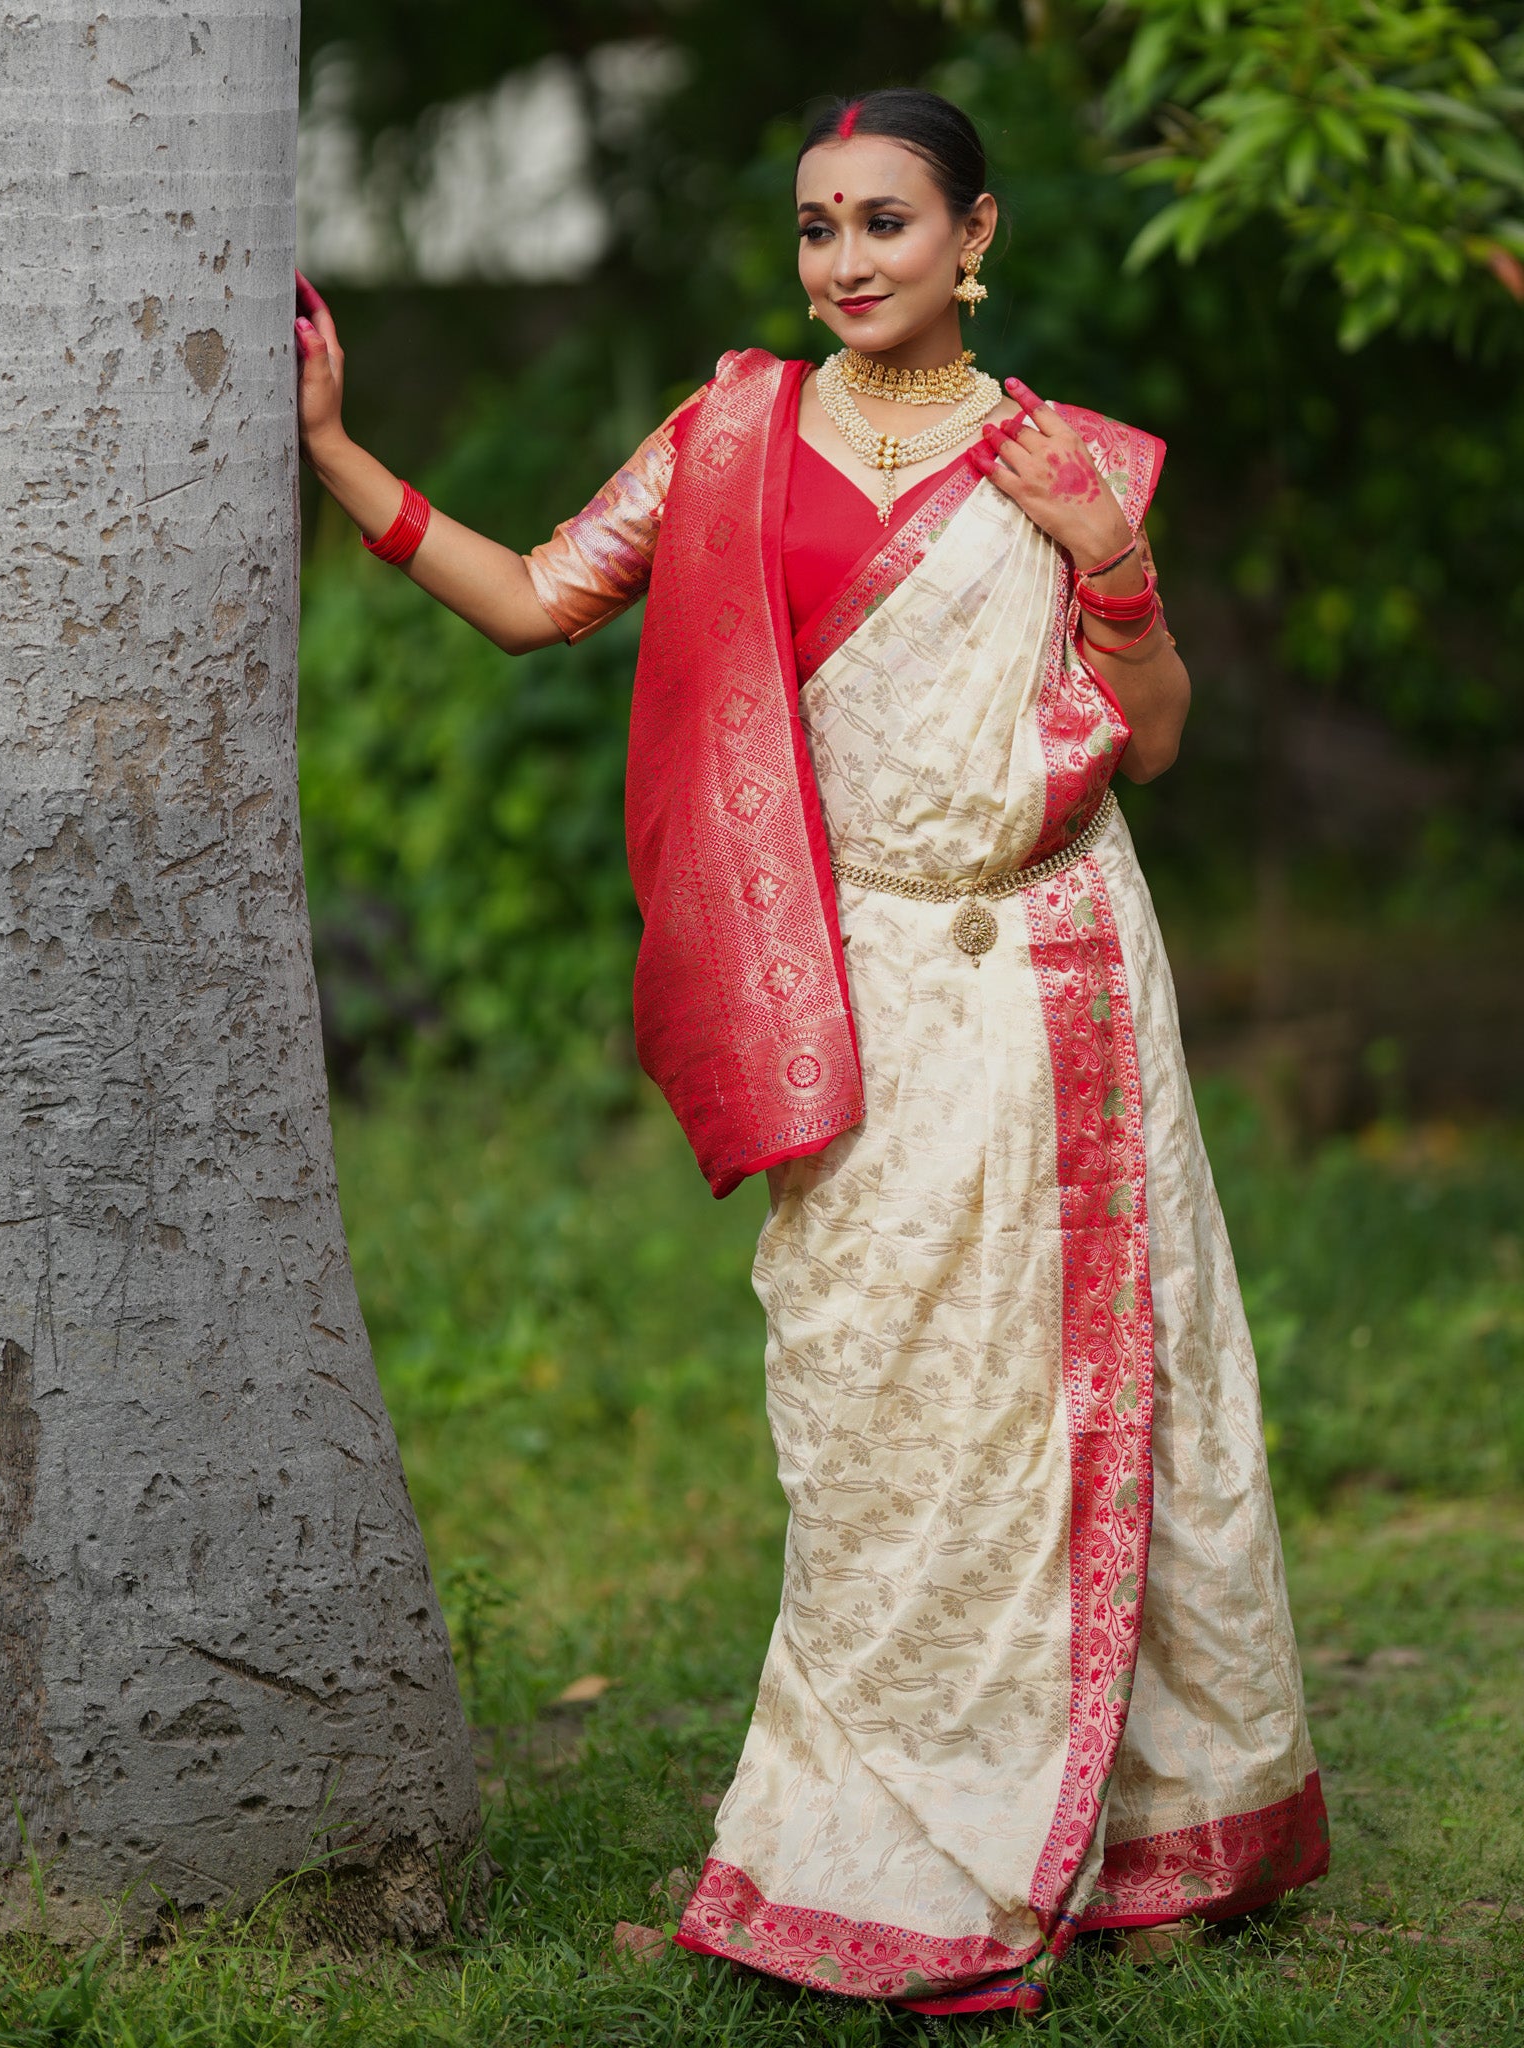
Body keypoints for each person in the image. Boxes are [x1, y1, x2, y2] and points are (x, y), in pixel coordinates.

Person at [296, 85, 1326, 2020]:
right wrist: (342, 453)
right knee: (870, 1423)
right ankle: (856, 1836)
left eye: (885, 225)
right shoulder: (730, 433)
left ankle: (1142, 1833)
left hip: (1053, 968)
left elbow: (1155, 739)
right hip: (847, 985)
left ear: (975, 236)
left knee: (1087, 1390)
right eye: (817, 231)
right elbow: (532, 601)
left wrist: (1111, 557)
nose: (847, 262)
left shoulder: (1070, 458)